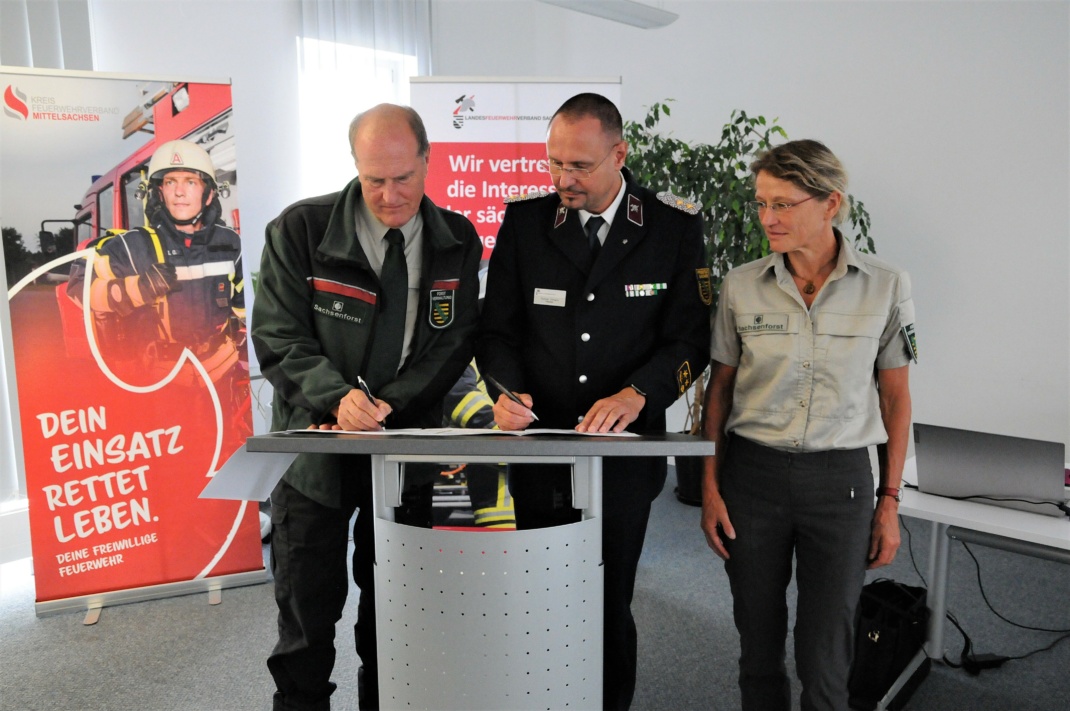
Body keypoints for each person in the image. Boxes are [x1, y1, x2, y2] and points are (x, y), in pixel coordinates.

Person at [476, 92, 710, 710]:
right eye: (553, 164)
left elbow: (692, 337)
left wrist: (639, 393)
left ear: (619, 153)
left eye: (578, 166)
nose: (562, 179)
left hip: (624, 453)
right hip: (541, 444)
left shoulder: (672, 227)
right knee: (540, 592)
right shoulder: (527, 224)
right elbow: (496, 331)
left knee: (607, 598)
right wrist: (504, 391)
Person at [251, 104, 482, 710]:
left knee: (397, 624)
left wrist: (386, 407)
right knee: (305, 628)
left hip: (403, 455)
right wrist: (339, 399)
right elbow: (278, 336)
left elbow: (452, 344)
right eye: (373, 178)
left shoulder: (457, 240)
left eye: (403, 177)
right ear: (354, 166)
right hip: (314, 458)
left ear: (429, 160)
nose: (389, 194)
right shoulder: (300, 229)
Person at [700, 139, 916, 711]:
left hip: (840, 482)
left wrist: (889, 500)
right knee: (758, 641)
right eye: (762, 203)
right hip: (753, 479)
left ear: (830, 204)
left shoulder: (886, 285)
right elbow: (717, 392)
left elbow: (896, 399)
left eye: (784, 204)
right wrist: (709, 486)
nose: (767, 218)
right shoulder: (741, 285)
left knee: (827, 651)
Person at [78, 139, 247, 431]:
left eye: (190, 182)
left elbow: (249, 305)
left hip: (220, 377)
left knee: (223, 454)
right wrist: (135, 289)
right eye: (170, 182)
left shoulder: (231, 243)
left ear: (208, 193)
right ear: (159, 192)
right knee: (174, 467)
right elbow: (79, 287)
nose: (180, 192)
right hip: (160, 383)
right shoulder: (133, 246)